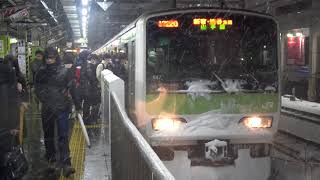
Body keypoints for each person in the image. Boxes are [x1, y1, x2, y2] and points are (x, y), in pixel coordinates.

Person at [34, 47, 81, 177]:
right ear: (45, 58)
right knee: (49, 136)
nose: (50, 60)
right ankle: (52, 161)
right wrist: (47, 99)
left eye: (52, 58)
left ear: (56, 57)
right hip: (50, 108)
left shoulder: (63, 71)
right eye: (48, 58)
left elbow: (71, 88)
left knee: (63, 135)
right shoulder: (41, 72)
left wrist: (77, 105)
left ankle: (65, 163)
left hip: (60, 108)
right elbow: (37, 89)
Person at [0, 57, 22, 180]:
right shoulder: (8, 71)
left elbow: (12, 99)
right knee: (5, 160)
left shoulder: (7, 71)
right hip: (5, 123)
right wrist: (14, 125)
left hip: (4, 123)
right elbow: (13, 100)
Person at [80, 54, 101, 125]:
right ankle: (88, 119)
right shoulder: (88, 66)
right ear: (90, 59)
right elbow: (88, 77)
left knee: (90, 104)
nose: (94, 60)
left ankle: (90, 118)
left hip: (91, 89)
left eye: (95, 59)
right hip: (90, 89)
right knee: (90, 104)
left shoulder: (88, 66)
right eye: (92, 59)